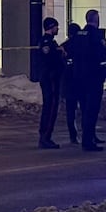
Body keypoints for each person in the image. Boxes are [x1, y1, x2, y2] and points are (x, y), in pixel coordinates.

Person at [76, 9, 106, 152]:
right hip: (94, 78)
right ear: (96, 19)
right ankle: (88, 140)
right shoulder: (97, 37)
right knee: (92, 110)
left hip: (80, 78)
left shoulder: (79, 35)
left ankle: (90, 136)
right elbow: (105, 57)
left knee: (85, 108)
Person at [33, 16, 65, 149]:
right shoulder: (48, 43)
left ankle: (46, 136)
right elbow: (51, 62)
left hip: (50, 78)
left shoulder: (50, 42)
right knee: (50, 107)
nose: (58, 29)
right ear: (51, 27)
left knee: (51, 107)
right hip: (50, 79)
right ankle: (45, 136)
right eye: (56, 27)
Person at [61, 22, 83, 143]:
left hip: (69, 83)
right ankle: (87, 134)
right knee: (85, 109)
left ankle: (73, 136)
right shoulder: (82, 46)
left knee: (71, 111)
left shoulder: (64, 46)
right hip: (81, 82)